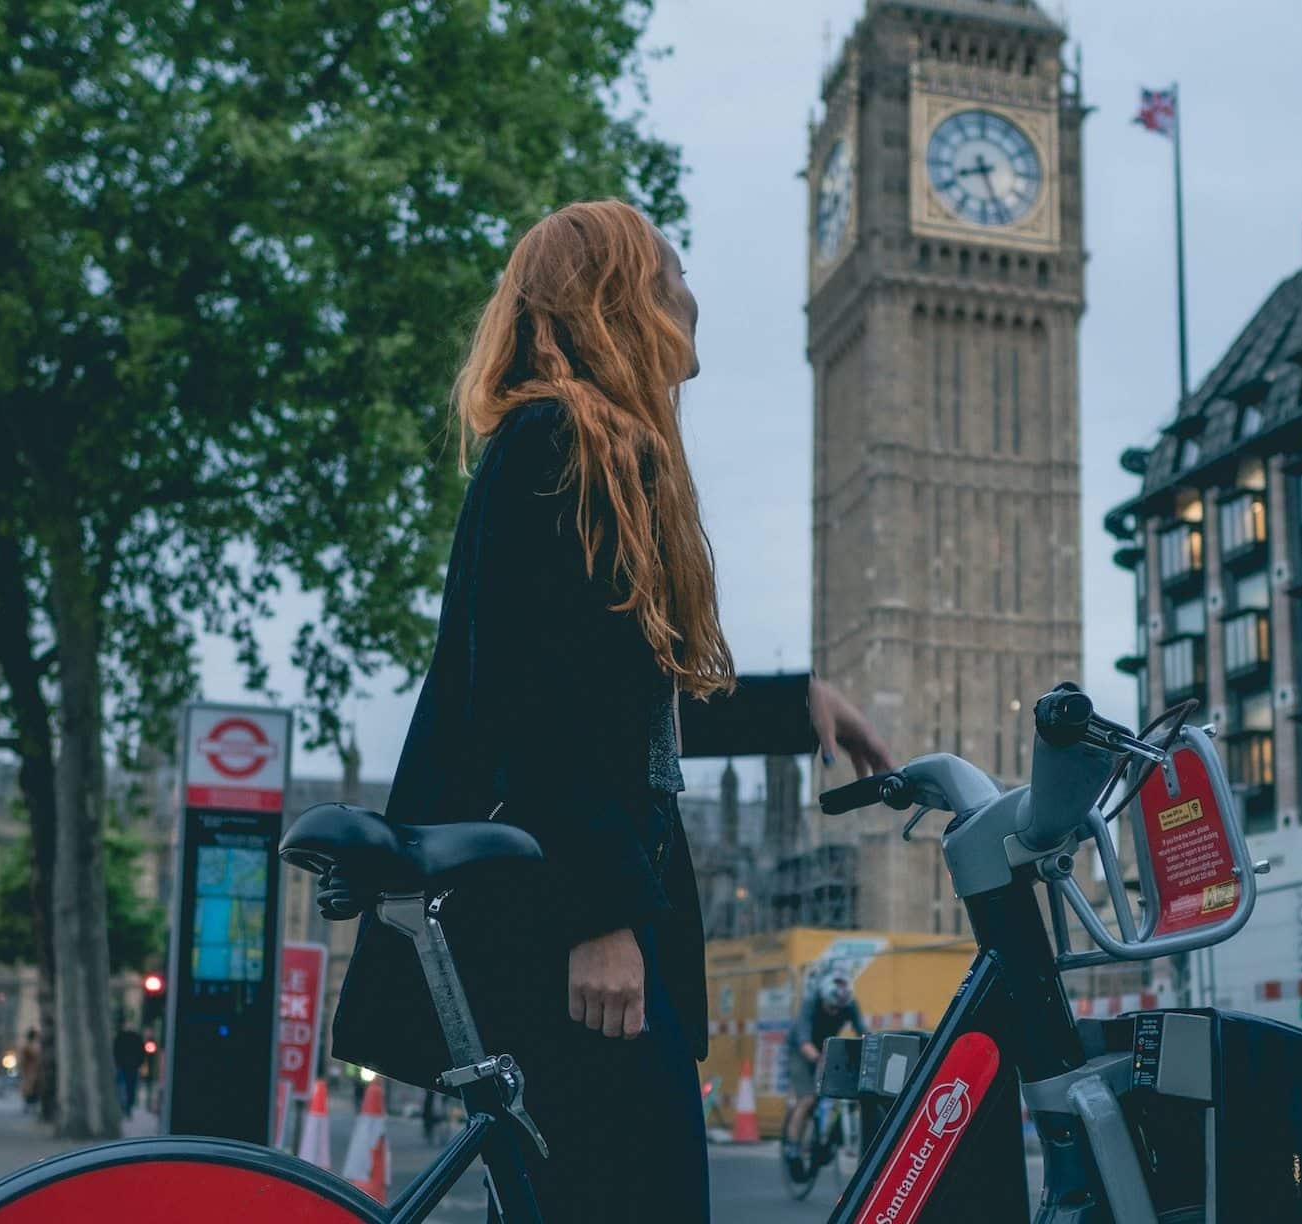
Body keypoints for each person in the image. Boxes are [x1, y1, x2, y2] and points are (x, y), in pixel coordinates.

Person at [324, 199, 892, 1222]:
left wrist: (797, 706)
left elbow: (618, 698)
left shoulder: (582, 449)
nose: (694, 294)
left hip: (565, 908)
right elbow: (535, 705)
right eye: (671, 271)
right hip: (563, 928)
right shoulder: (563, 444)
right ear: (616, 297)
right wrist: (600, 919)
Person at [783, 971, 866, 1170]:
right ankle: (793, 1148)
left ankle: (827, 1136)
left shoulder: (849, 1004)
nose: (835, 1012)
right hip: (800, 1050)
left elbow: (863, 1031)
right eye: (831, 1007)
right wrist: (817, 1058)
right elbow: (803, 1040)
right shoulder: (811, 1003)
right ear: (823, 997)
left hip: (826, 1049)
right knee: (808, 1099)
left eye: (840, 1009)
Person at [113, 1022, 145, 1120]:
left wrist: (117, 1062)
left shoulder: (120, 1037)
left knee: (122, 1087)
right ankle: (127, 1108)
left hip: (124, 1066)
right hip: (132, 1066)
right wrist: (139, 1063)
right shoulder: (137, 1037)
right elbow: (141, 1052)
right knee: (130, 1087)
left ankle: (124, 1107)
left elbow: (115, 1050)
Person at [17, 1028, 42, 1115]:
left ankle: (30, 1106)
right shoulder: (28, 1046)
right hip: (30, 1071)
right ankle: (28, 1106)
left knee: (32, 1089)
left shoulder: (30, 1045)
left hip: (32, 1071)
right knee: (30, 1089)